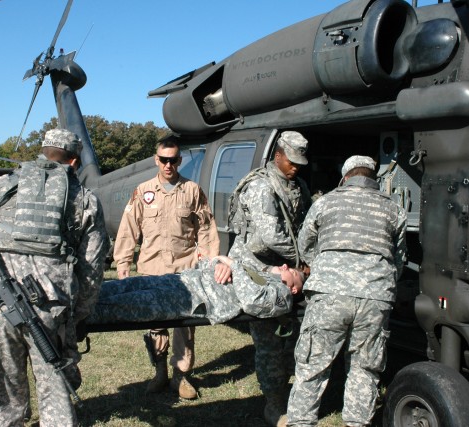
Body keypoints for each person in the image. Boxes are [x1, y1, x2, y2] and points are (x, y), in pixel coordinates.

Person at [0, 128, 109, 426]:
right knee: (55, 392)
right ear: (74, 163)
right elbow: (92, 269)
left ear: (43, 153)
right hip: (49, 310)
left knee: (2, 396)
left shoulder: (0, 186)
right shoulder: (83, 199)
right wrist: (77, 316)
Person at [285, 155, 407, 427]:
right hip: (375, 296)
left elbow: (305, 246)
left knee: (312, 366)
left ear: (345, 177)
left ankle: (301, 423)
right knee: (365, 369)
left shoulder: (325, 202)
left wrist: (325, 268)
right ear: (373, 178)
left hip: (329, 294)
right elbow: (398, 259)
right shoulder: (393, 209)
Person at [113, 139, 219, 399]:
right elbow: (128, 229)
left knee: (185, 325)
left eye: (173, 159)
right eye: (163, 159)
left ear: (179, 160)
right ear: (156, 159)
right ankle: (159, 371)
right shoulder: (143, 191)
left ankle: (181, 376)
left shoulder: (192, 190)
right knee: (155, 325)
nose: (168, 164)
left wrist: (209, 262)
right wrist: (123, 263)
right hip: (152, 268)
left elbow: (206, 229)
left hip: (185, 270)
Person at [227, 130, 311, 426]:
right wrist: (302, 262)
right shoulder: (261, 187)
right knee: (268, 342)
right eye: (292, 161)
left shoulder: (297, 185)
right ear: (278, 155)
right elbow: (271, 235)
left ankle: (290, 394)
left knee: (293, 339)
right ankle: (274, 405)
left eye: (300, 162)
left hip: (286, 270)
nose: (296, 167)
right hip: (258, 271)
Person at [88, 256, 304, 326]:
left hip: (193, 299)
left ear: (294, 289)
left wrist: (232, 264)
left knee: (125, 304)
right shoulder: (261, 272)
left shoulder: (281, 296)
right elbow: (213, 261)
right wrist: (221, 263)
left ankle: (74, 315)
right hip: (183, 280)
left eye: (292, 272)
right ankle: (77, 298)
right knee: (123, 286)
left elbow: (252, 301)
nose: (286, 267)